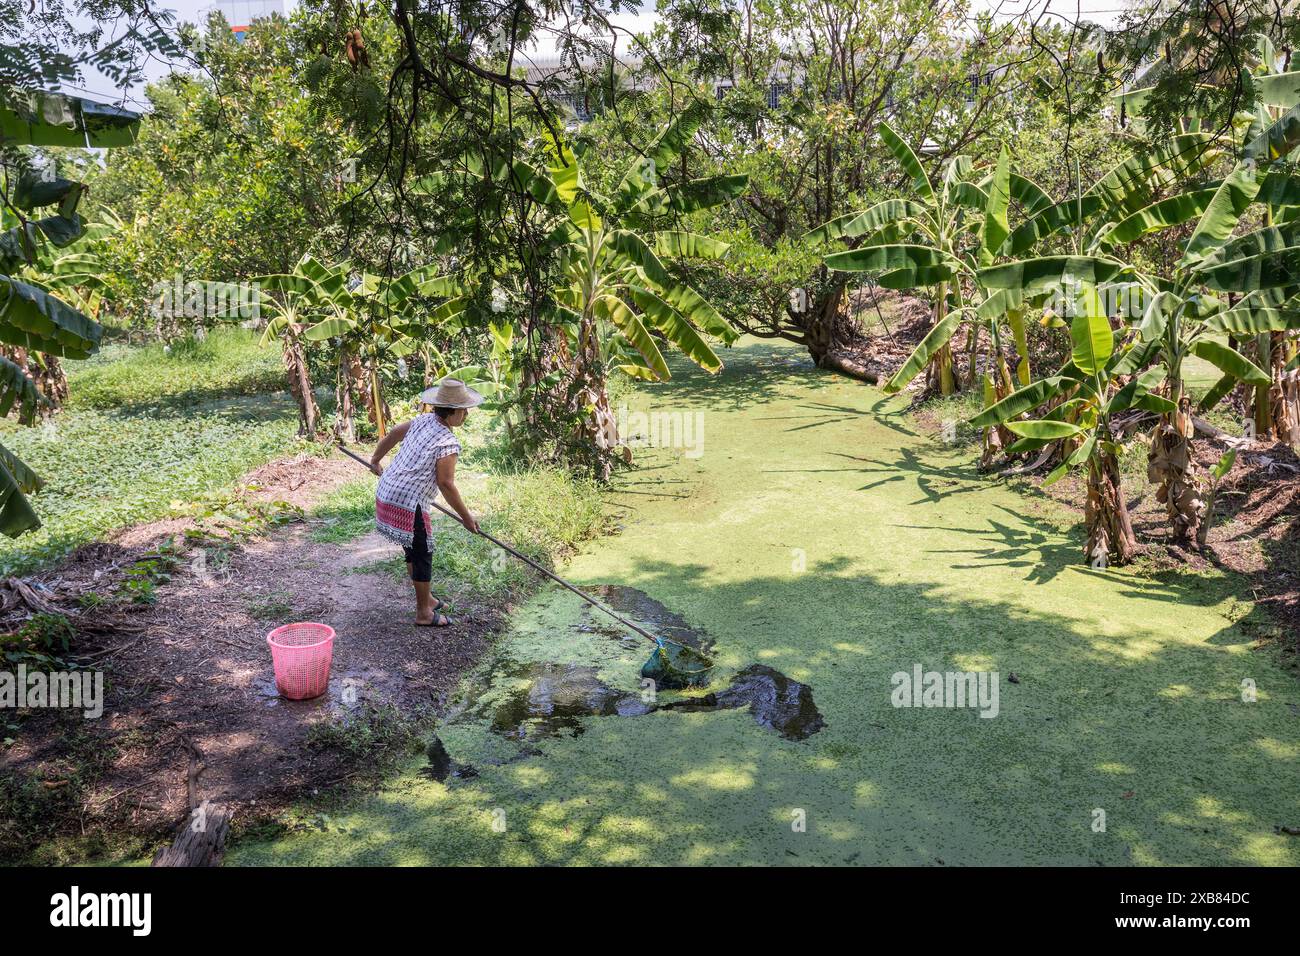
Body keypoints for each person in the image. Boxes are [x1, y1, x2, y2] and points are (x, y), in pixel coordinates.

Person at [370, 378, 482, 627]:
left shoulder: (424, 421)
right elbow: (446, 484)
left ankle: (427, 599)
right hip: (408, 502)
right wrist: (466, 517)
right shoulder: (447, 442)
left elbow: (395, 432)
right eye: (464, 409)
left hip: (389, 491)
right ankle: (423, 613)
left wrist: (375, 458)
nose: (466, 414)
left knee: (413, 549)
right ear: (451, 412)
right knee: (422, 553)